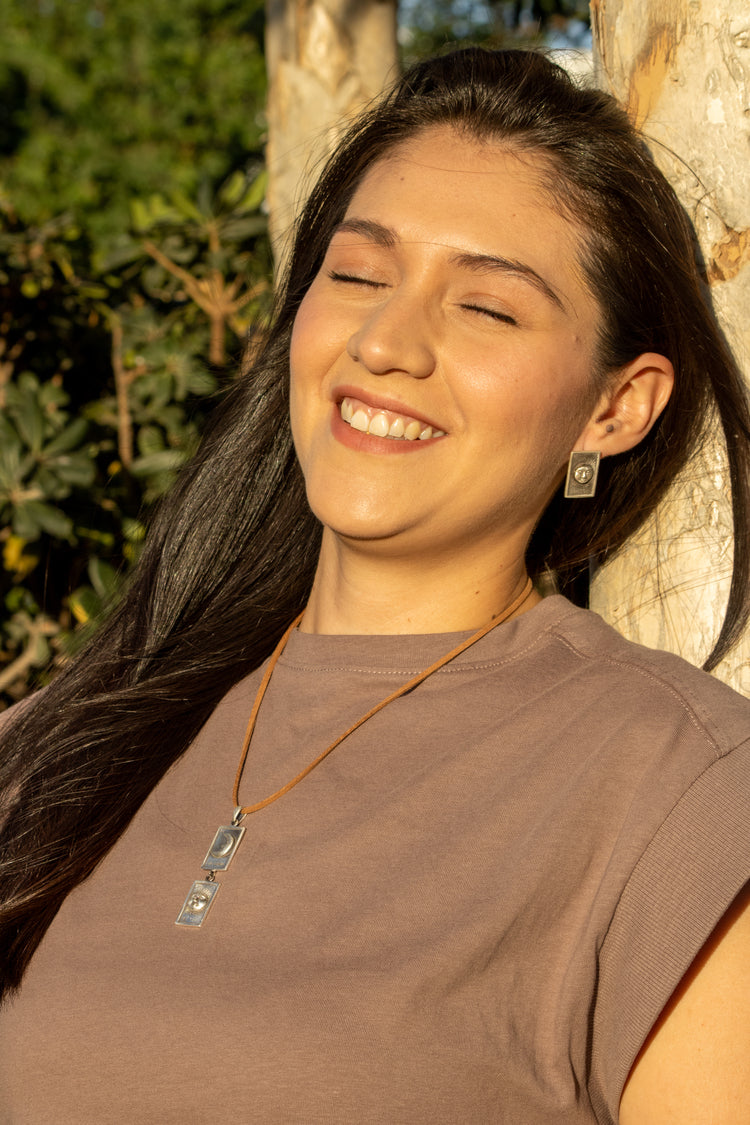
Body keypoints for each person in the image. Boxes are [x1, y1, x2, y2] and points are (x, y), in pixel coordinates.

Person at [0, 46, 749, 1125]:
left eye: (488, 308)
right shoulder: (57, 745)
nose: (387, 341)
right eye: (357, 275)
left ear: (616, 408)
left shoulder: (676, 797)